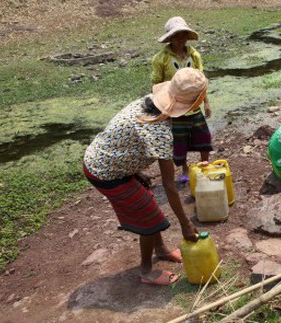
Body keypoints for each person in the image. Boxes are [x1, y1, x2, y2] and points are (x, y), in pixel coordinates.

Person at [83, 68, 208, 285]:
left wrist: (136, 170)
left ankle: (160, 250)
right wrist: (185, 224)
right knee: (151, 219)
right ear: (193, 103)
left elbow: (126, 140)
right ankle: (146, 271)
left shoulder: (150, 102)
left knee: (148, 205)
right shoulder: (158, 130)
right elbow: (169, 185)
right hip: (104, 172)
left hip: (113, 162)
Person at [151, 16, 212, 184]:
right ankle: (185, 169)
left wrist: (206, 102)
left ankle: (205, 165)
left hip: (194, 105)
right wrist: (160, 108)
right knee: (179, 142)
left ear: (187, 36)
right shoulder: (161, 58)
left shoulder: (194, 55)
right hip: (174, 107)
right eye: (177, 36)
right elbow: (156, 83)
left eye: (183, 35)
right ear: (170, 38)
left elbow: (201, 80)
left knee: (203, 136)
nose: (181, 39)